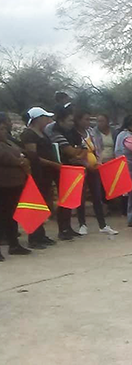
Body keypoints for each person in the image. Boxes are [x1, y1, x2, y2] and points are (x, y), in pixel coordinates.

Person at [72, 108, 119, 237]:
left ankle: (102, 225)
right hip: (81, 169)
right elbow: (75, 154)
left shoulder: (91, 133)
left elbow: (98, 149)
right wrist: (86, 165)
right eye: (86, 119)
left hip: (94, 168)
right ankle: (82, 224)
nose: (88, 122)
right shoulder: (73, 134)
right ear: (78, 120)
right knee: (80, 197)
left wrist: (98, 162)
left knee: (97, 196)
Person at [20, 107, 62, 249]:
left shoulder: (42, 133)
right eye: (45, 117)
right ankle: (34, 237)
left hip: (46, 174)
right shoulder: (28, 134)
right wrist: (52, 164)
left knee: (44, 202)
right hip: (37, 173)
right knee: (35, 204)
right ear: (38, 118)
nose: (47, 120)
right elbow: (33, 156)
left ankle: (41, 234)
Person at [49, 106, 86, 240]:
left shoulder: (73, 133)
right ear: (61, 121)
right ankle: (62, 229)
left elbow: (84, 149)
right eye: (69, 120)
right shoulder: (56, 134)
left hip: (73, 168)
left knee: (71, 199)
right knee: (64, 199)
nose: (72, 123)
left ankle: (68, 227)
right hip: (62, 169)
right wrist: (77, 151)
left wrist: (78, 152)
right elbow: (70, 151)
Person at [0, 119, 33, 260]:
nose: (3, 132)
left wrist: (22, 159)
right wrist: (19, 161)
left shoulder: (9, 142)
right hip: (3, 184)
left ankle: (14, 244)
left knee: (11, 216)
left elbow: (22, 153)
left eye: (3, 129)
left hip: (14, 184)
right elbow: (6, 158)